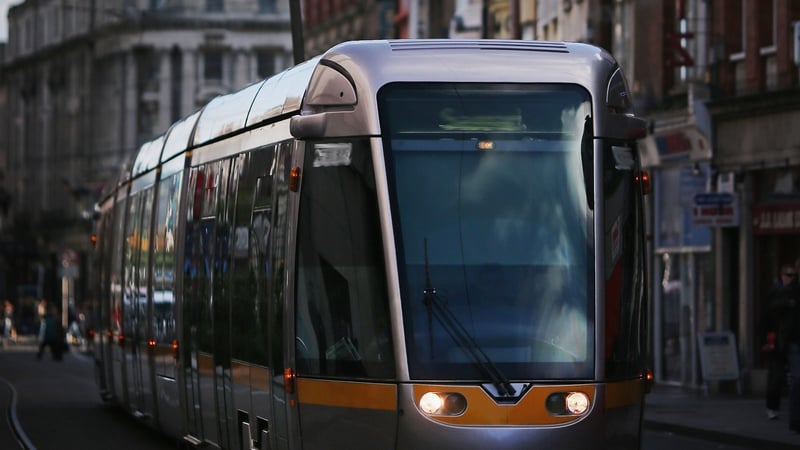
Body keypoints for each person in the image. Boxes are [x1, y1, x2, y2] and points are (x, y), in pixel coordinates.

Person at [763, 263, 800, 420]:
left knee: (794, 377)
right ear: (782, 276)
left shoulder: (794, 291)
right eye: (788, 275)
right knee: (777, 375)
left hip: (790, 339)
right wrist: (766, 338)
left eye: (793, 275)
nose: (791, 278)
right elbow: (767, 316)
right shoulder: (778, 292)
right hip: (778, 339)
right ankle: (772, 407)